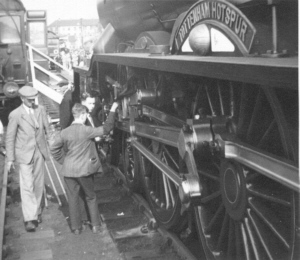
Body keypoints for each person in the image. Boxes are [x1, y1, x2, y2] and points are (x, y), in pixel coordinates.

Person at [50, 102, 118, 235]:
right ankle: (95, 225)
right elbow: (107, 128)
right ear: (82, 115)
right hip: (84, 171)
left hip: (69, 171)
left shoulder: (64, 132)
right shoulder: (86, 130)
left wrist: (64, 161)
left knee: (73, 197)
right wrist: (113, 109)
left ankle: (76, 228)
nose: (87, 116)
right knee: (90, 196)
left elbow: (53, 148)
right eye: (86, 114)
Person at [6, 86, 50, 232]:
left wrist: (51, 145)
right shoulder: (15, 114)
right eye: (29, 100)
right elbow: (10, 137)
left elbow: (47, 129)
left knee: (38, 184)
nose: (32, 102)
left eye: (34, 99)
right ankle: (30, 219)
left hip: (39, 152)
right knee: (27, 186)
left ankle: (36, 211)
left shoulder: (41, 110)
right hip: (24, 153)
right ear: (22, 98)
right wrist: (10, 159)